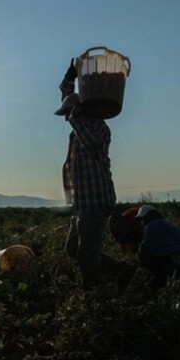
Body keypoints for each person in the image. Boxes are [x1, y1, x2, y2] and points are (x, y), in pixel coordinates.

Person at [56, 59, 132, 290]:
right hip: (82, 202)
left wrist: (75, 112)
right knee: (73, 249)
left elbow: (88, 139)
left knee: (87, 256)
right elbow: (69, 99)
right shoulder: (78, 128)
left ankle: (95, 299)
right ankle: (121, 271)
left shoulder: (97, 127)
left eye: (69, 113)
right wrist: (70, 77)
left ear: (79, 110)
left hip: (96, 201)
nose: (66, 116)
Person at [109, 204, 180, 290]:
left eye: (141, 220)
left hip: (175, 261)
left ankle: (158, 285)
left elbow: (145, 250)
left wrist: (140, 265)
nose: (141, 223)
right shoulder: (168, 225)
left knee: (152, 262)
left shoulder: (151, 226)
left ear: (145, 217)